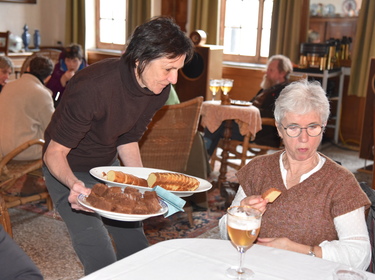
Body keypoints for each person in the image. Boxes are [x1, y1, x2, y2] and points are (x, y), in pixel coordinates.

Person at [42, 16, 194, 275]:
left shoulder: (159, 91)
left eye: (178, 69)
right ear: (140, 58)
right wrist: (75, 186)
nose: (174, 79)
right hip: (67, 168)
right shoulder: (93, 87)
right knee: (97, 250)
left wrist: (143, 182)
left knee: (135, 245)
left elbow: (128, 138)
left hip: (105, 166)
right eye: (168, 69)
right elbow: (54, 152)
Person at [219, 80, 371, 270]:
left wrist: (301, 250)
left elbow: (360, 255)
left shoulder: (340, 182)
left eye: (313, 127)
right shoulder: (258, 169)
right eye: (293, 128)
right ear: (279, 129)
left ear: (324, 126)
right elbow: (225, 232)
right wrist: (241, 213)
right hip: (256, 270)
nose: (304, 138)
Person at [203, 54, 293, 157]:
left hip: (261, 131)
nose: (266, 73)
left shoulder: (284, 91)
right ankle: (204, 159)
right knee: (215, 121)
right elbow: (250, 104)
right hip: (248, 125)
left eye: (271, 70)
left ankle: (204, 159)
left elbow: (277, 114)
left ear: (282, 73)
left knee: (216, 127)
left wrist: (253, 111)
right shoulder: (267, 89)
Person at [0, 55, 54, 160]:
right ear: (48, 77)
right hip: (23, 151)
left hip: (2, 149)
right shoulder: (42, 93)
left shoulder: (8, 87)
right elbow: (52, 128)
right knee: (59, 145)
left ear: (28, 69)